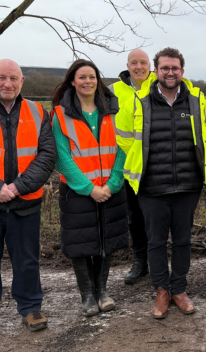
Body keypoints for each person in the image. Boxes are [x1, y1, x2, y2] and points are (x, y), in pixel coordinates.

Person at [117, 47, 206, 319]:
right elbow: (123, 137)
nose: (170, 72)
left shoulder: (196, 102)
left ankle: (179, 289)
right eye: (164, 68)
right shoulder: (138, 102)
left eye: (175, 68)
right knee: (155, 241)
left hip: (188, 185)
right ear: (155, 71)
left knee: (183, 240)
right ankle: (161, 290)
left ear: (182, 71)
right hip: (151, 187)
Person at [0, 59, 55, 341]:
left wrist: (16, 187)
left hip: (23, 202)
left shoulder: (38, 111)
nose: (8, 84)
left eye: (14, 79)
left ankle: (30, 307)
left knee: (27, 260)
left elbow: (47, 155)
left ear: (22, 81)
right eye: (2, 78)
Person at [52, 59, 128, 317]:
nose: (88, 82)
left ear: (98, 80)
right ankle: (87, 295)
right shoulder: (60, 114)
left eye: (92, 77)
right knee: (80, 243)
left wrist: (115, 181)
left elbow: (123, 147)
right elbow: (62, 156)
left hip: (111, 188)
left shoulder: (114, 111)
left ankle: (102, 291)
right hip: (78, 191)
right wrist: (88, 188)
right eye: (82, 77)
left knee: (106, 239)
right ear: (72, 81)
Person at [109, 49, 157, 285]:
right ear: (127, 65)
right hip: (129, 166)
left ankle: (159, 262)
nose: (139, 67)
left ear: (151, 65)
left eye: (143, 62)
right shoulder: (113, 91)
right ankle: (140, 261)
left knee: (158, 217)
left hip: (158, 165)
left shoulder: (161, 84)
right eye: (134, 63)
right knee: (135, 217)